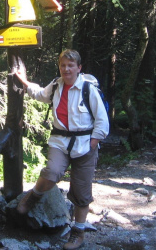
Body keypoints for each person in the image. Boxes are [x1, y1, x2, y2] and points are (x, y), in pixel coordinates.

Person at [15, 49, 109, 250]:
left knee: (81, 192)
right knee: (52, 172)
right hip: (60, 141)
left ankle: (78, 233)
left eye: (70, 65)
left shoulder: (88, 88)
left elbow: (102, 119)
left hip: (85, 145)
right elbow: (40, 94)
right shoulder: (56, 85)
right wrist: (25, 81)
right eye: (63, 65)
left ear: (78, 68)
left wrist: (93, 143)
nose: (66, 69)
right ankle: (33, 197)